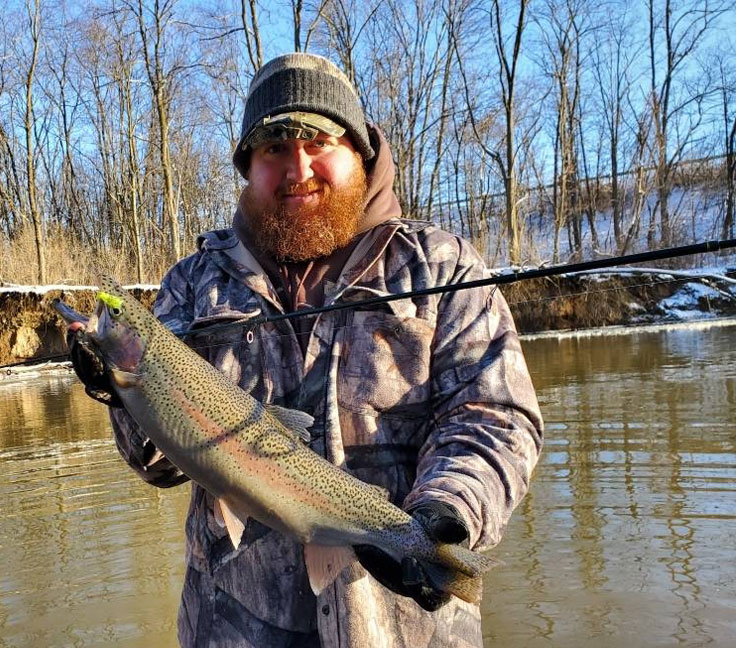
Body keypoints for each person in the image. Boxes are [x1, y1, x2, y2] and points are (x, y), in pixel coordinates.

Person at [70, 53, 543, 648]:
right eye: (273, 147)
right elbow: (156, 464)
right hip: (230, 628)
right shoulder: (193, 286)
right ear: (248, 167)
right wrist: (118, 392)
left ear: (359, 153)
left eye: (319, 141)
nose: (298, 168)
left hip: (408, 630)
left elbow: (494, 418)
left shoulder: (440, 266)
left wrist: (449, 512)